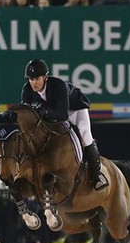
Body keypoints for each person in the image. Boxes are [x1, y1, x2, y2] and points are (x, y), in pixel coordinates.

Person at [19, 59, 108, 190]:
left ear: (45, 77)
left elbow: (62, 115)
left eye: (37, 78)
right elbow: (27, 114)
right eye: (31, 79)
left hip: (74, 108)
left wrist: (42, 111)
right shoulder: (27, 90)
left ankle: (97, 175)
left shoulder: (58, 85)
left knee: (84, 134)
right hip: (52, 112)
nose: (34, 83)